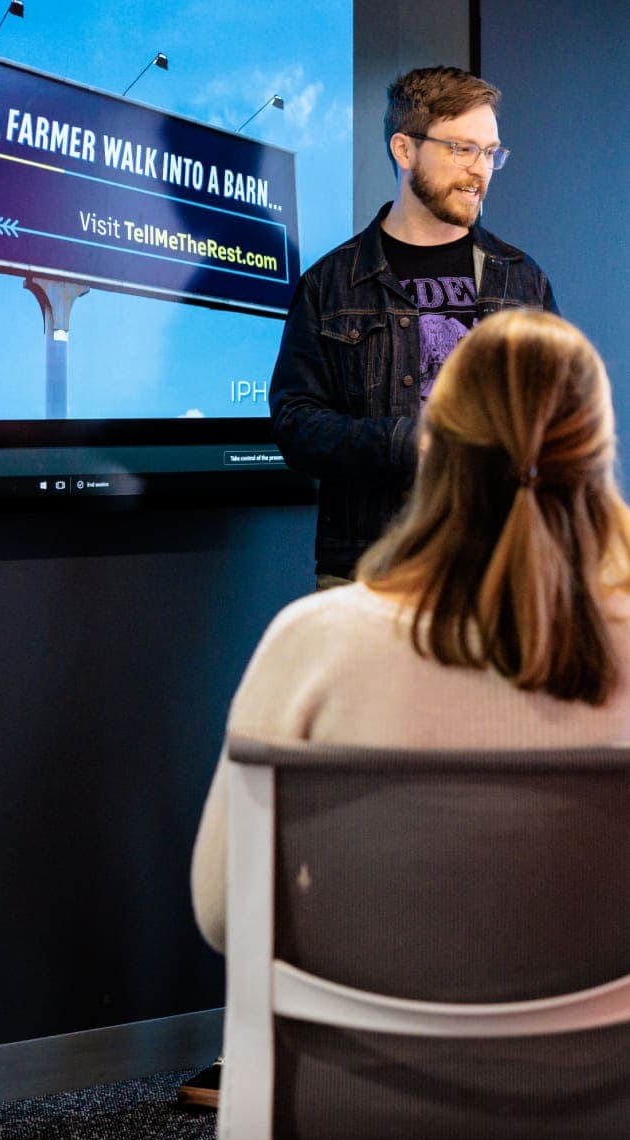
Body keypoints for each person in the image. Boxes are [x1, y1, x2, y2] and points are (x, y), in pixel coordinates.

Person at [191, 308, 630, 956]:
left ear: (437, 452)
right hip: (599, 1056)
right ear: (597, 454)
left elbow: (226, 913)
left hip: (358, 1055)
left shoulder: (314, 641)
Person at [269, 66, 559, 588]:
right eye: (462, 149)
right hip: (372, 572)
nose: (480, 171)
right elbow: (296, 426)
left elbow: (560, 418)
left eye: (491, 152)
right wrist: (409, 441)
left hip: (501, 573)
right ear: (404, 150)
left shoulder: (522, 279)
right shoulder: (331, 284)